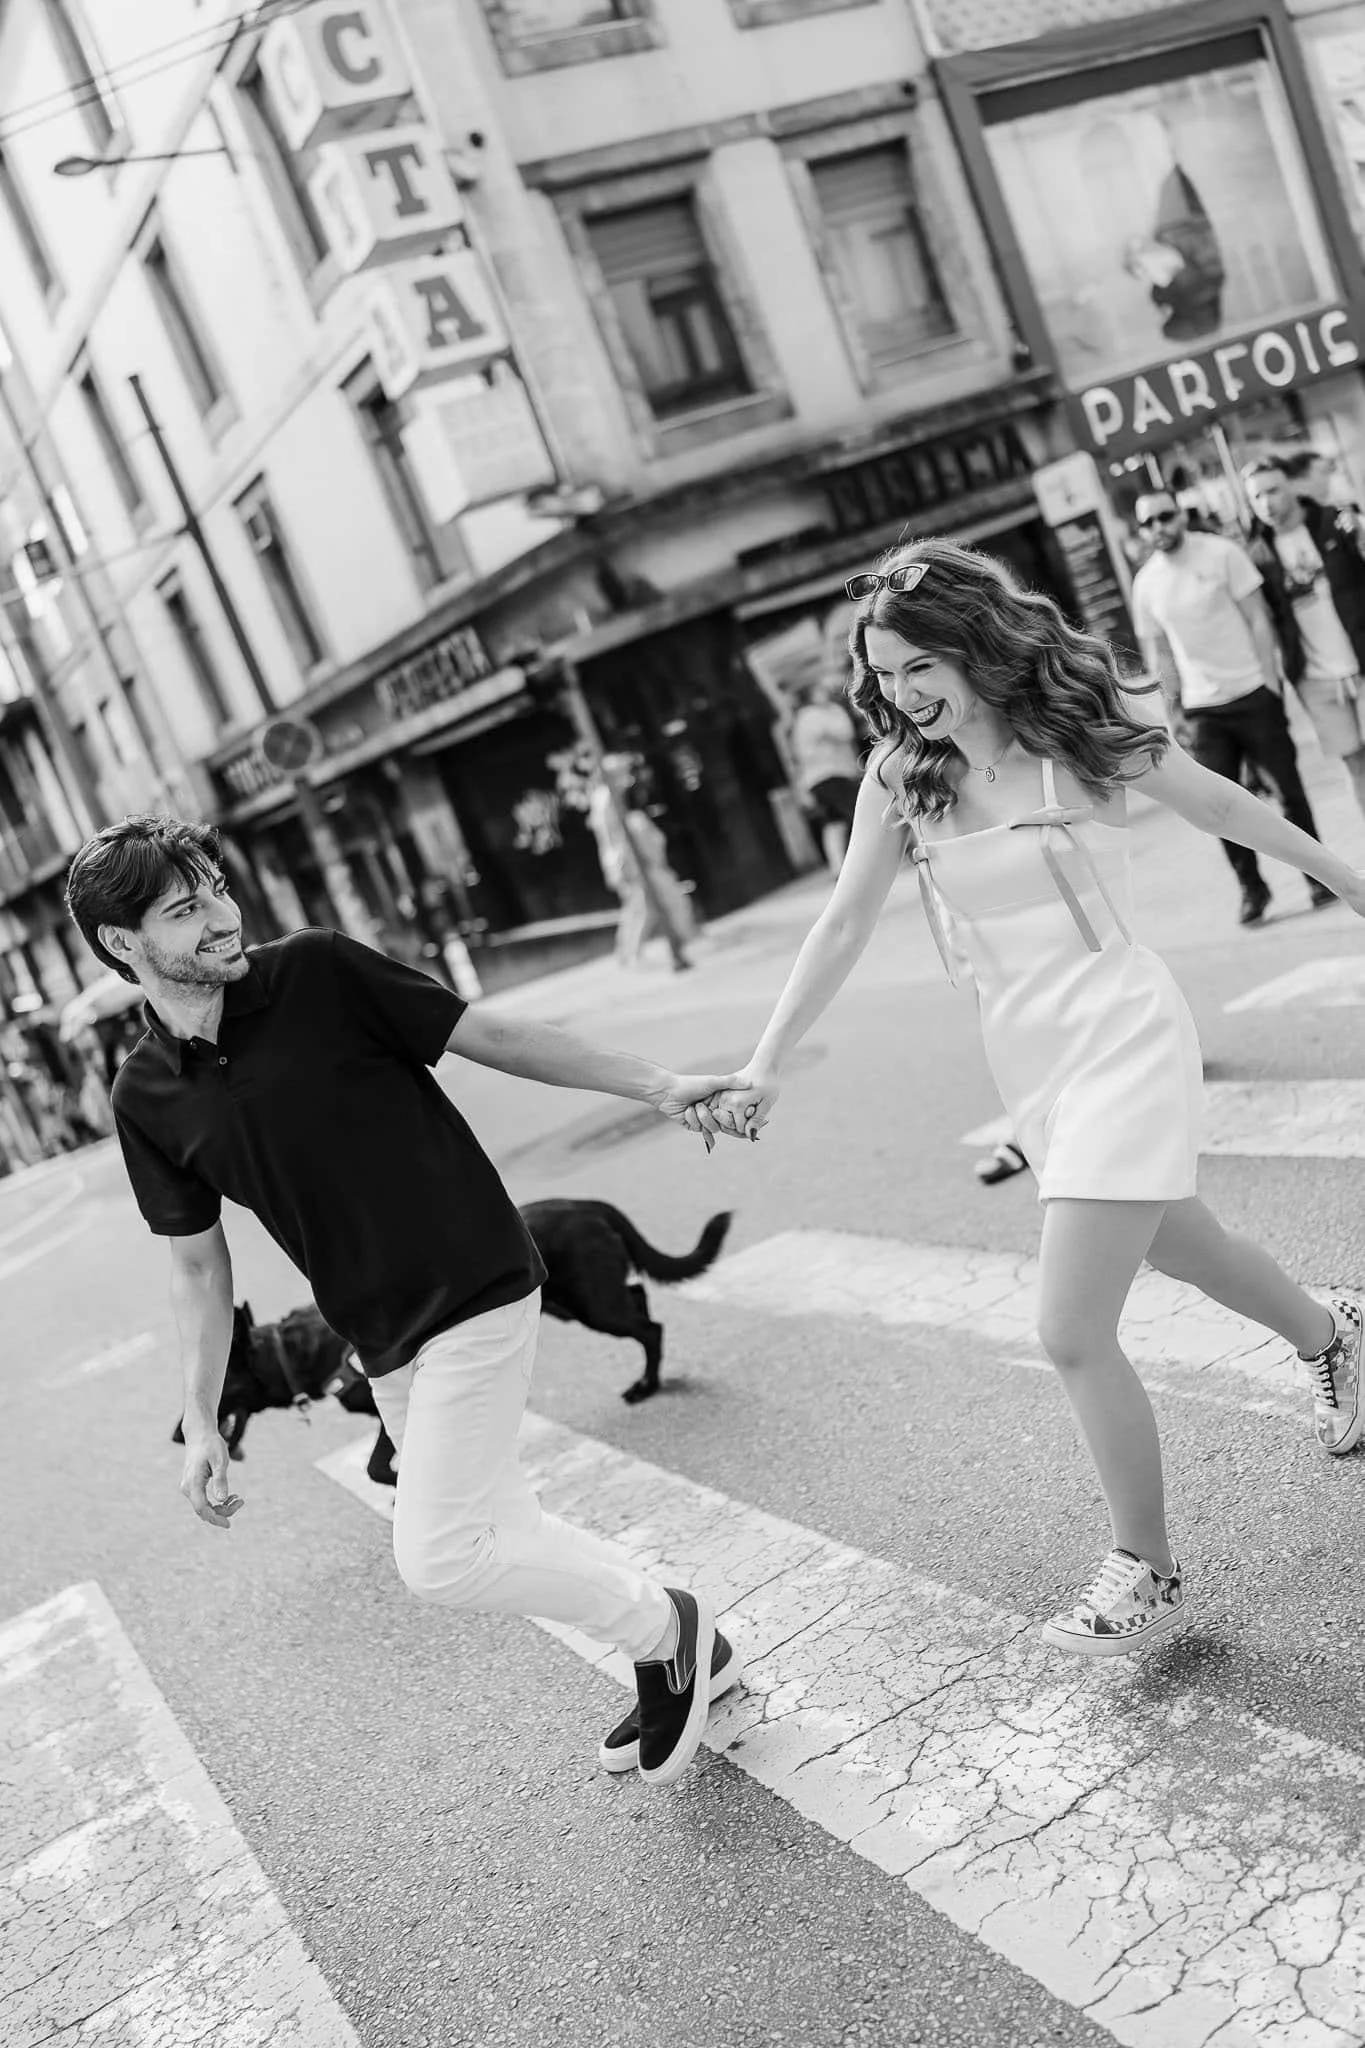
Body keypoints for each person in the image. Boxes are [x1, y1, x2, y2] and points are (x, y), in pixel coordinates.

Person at [703, 540, 1365, 1658]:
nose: (905, 694)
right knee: (1184, 1246)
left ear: (973, 645)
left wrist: (1351, 881)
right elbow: (845, 920)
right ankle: (1331, 1329)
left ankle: (1145, 1563)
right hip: (1032, 1057)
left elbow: (1229, 808)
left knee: (1068, 1325)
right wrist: (765, 1056)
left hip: (1121, 1032)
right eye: (885, 676)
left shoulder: (1071, 747)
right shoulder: (898, 776)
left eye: (921, 665)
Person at [64, 815, 747, 1787]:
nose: (221, 914)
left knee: (438, 1556)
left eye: (217, 885)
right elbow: (198, 1267)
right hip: (379, 1332)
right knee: (501, 1523)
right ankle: (691, 1648)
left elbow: (491, 1035)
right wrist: (203, 1414)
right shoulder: (146, 1093)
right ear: (124, 946)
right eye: (186, 907)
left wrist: (661, 1083)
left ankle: (669, 1626)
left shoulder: (319, 971)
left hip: (473, 1278)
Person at [1131, 489, 1331, 927]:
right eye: (1147, 523)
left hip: (1252, 693)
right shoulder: (1146, 583)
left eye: (1164, 516)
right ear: (1141, 530)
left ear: (1181, 516)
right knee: (1214, 807)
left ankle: (1320, 877)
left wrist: (1269, 683)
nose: (1158, 528)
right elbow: (1158, 651)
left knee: (1288, 792)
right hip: (1203, 710)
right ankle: (1252, 889)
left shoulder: (1221, 553)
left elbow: (1259, 617)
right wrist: (1172, 711)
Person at [1243, 455, 1365, 826]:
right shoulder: (1256, 554)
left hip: (1361, 657)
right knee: (1355, 764)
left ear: (1292, 487)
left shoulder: (1336, 522)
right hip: (1314, 677)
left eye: (1274, 490)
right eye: (1257, 497)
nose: (1267, 503)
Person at [587, 768, 697, 968]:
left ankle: (632, 953)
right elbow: (614, 836)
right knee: (647, 906)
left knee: (642, 908)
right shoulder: (606, 800)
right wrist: (625, 864)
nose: (626, 779)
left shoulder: (607, 800)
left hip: (629, 862)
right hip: (632, 863)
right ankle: (639, 952)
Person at [787, 676, 864, 872]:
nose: (824, 693)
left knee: (834, 822)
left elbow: (842, 733)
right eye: (818, 690)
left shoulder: (823, 713)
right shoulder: (810, 716)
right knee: (858, 814)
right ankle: (868, 858)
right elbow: (843, 732)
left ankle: (838, 868)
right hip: (828, 775)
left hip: (831, 774)